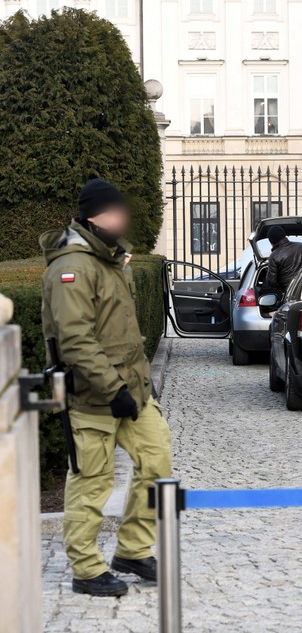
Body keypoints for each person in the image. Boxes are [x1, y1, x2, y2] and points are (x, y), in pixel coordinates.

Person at [40, 178, 172, 597]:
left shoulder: (113, 259)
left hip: (133, 392)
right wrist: (113, 388)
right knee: (91, 480)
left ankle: (132, 550)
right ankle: (86, 568)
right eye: (115, 212)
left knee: (157, 461)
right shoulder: (73, 266)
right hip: (94, 396)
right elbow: (75, 339)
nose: (122, 218)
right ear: (94, 216)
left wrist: (133, 388)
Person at [263, 225, 302, 295]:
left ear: (271, 241)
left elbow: (271, 282)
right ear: (284, 235)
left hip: (288, 294)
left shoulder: (274, 256)